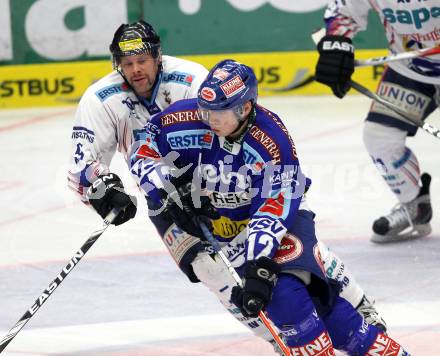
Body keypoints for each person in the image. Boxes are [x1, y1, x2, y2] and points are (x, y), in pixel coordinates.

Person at [68, 20, 385, 351]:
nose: (135, 70)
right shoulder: (100, 99)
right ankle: (280, 338)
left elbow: (235, 132)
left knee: (291, 245)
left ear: (158, 56)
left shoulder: (191, 79)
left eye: (142, 60)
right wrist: (103, 187)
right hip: (165, 199)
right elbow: (83, 166)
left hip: (229, 185)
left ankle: (359, 305)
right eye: (127, 63)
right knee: (212, 271)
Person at [128, 59, 409, 354]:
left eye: (219, 112)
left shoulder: (271, 140)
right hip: (222, 225)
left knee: (285, 294)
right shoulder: (182, 120)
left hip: (281, 216)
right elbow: (144, 148)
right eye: (205, 109)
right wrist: (165, 189)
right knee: (287, 304)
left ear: (245, 108)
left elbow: (274, 206)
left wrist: (257, 265)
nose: (209, 118)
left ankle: (356, 321)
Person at [314, 1, 437, 243]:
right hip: (410, 71)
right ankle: (415, 205)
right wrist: (336, 45)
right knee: (379, 136)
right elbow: (343, 11)